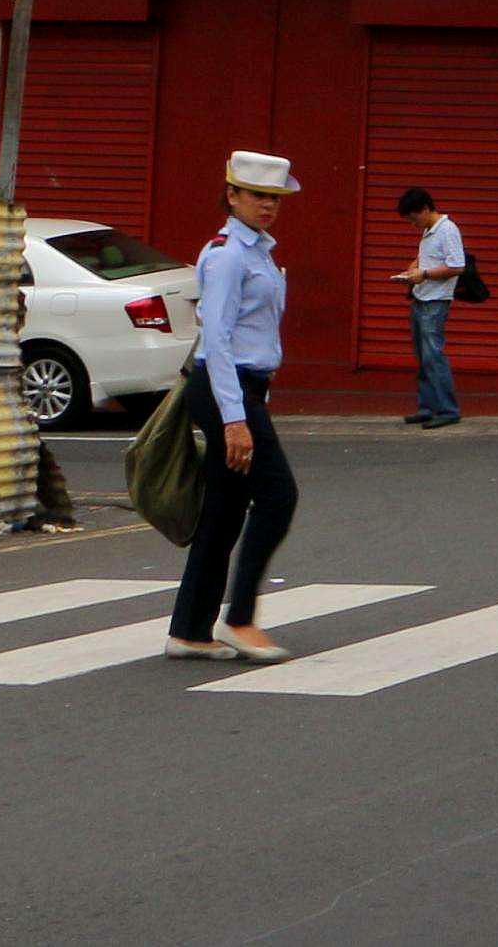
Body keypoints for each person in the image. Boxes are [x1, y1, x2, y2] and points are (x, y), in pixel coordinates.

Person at [170, 149, 303, 662]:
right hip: (226, 389)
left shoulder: (258, 250)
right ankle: (240, 618)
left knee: (224, 511)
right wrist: (235, 420)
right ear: (232, 195)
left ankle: (189, 629)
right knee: (277, 495)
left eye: (275, 197)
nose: (268, 206)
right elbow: (218, 341)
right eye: (257, 196)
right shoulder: (227, 254)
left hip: (242, 387)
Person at [392, 185, 467, 431]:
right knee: (423, 357)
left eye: (414, 218)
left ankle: (448, 410)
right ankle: (427, 408)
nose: (413, 224)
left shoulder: (447, 230)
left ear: (425, 209)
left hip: (435, 301)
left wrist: (424, 273)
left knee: (434, 356)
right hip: (421, 297)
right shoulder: (429, 231)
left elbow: (457, 266)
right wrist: (413, 269)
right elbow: (427, 258)